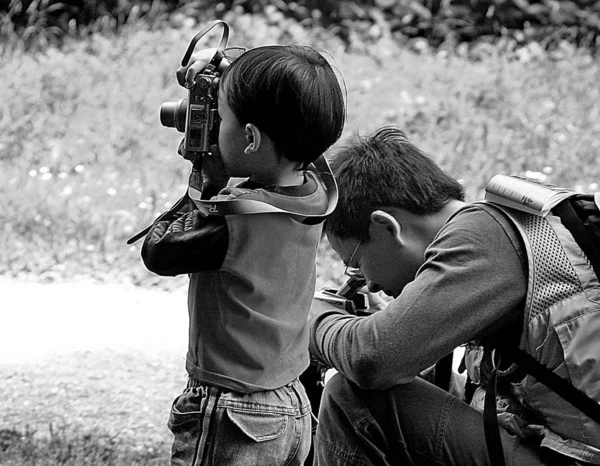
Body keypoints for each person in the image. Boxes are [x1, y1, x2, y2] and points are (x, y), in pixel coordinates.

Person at [308, 125, 600, 465]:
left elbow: (373, 359)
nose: (368, 285)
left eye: (356, 263)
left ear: (387, 226)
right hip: (562, 443)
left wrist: (312, 319)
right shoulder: (511, 227)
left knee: (354, 398)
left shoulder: (483, 238)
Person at [141, 45, 345, 465]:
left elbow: (158, 251)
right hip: (291, 404)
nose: (212, 128)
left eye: (221, 120)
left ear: (250, 138)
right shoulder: (312, 193)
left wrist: (203, 179)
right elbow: (287, 109)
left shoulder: (238, 219)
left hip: (235, 409)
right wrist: (225, 77)